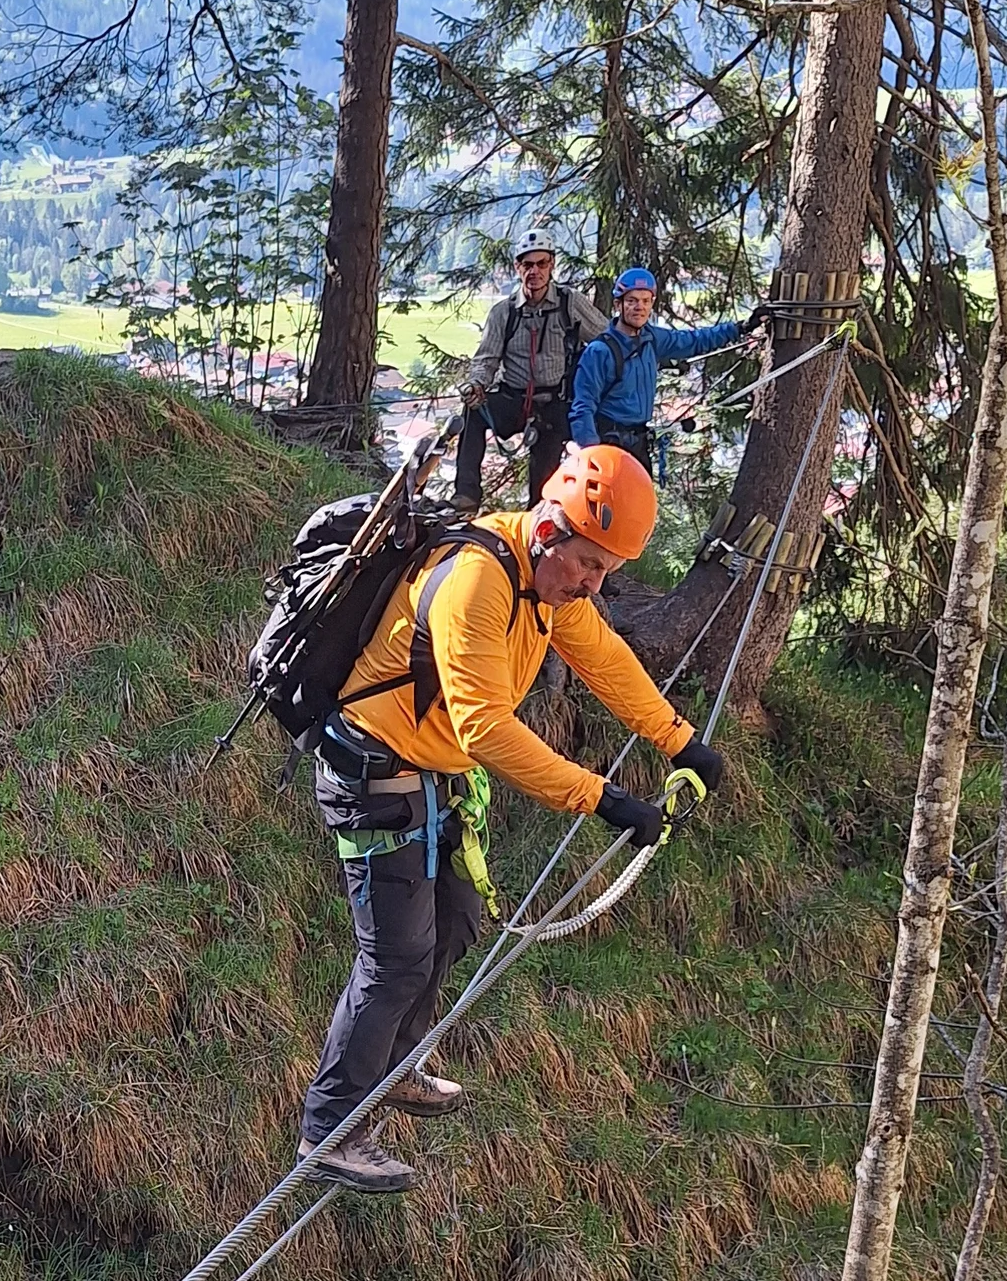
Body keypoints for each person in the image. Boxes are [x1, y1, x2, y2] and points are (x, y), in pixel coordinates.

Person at [297, 446, 723, 1193]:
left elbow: (607, 660)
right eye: (589, 565)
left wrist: (679, 738)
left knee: (458, 920)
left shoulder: (545, 587)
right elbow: (485, 731)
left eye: (604, 570)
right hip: (372, 774)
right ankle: (330, 1129)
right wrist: (603, 798)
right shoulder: (477, 585)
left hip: (425, 774)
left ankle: (393, 1064)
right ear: (551, 529)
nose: (594, 584)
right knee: (396, 956)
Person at [569, 266, 767, 486]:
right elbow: (583, 407)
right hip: (607, 445)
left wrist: (741, 328)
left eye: (646, 301)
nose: (639, 307)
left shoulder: (652, 339)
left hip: (638, 444)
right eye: (632, 301)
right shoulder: (599, 351)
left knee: (637, 514)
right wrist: (591, 456)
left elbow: (695, 341)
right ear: (618, 305)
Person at [454, 236, 605, 510]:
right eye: (527, 264)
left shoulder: (570, 304)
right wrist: (476, 384)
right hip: (513, 400)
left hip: (554, 404)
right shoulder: (504, 312)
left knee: (541, 491)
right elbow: (486, 358)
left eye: (541, 263)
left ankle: (538, 528)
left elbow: (607, 340)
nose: (534, 271)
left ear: (552, 264)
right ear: (517, 267)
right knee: (473, 413)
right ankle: (466, 496)